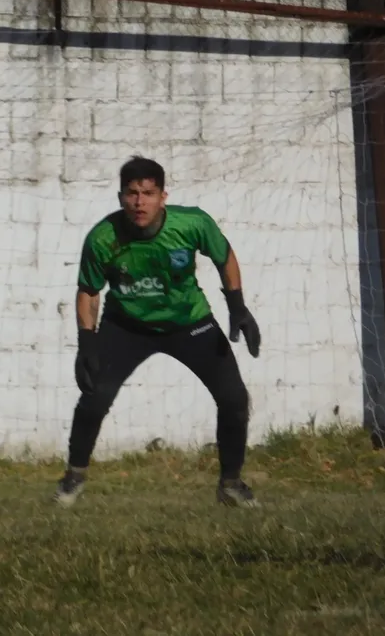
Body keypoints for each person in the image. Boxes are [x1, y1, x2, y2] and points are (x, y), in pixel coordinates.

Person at [55, 156, 261, 508]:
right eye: (132, 193)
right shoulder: (103, 237)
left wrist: (238, 307)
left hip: (190, 322)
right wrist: (86, 342)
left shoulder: (192, 223)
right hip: (126, 327)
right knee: (94, 397)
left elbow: (224, 256)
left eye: (148, 193)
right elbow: (89, 290)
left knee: (234, 399)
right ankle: (73, 477)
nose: (139, 202)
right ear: (120, 197)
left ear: (163, 196)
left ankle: (230, 483)